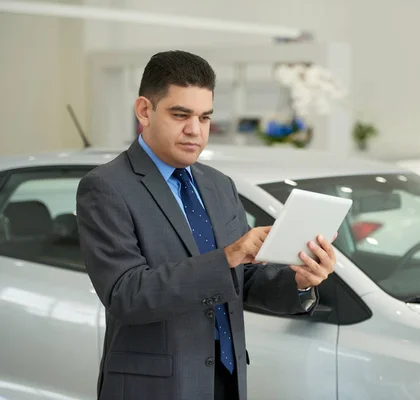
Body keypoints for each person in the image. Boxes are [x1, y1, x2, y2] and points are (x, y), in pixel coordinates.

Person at [75, 50, 337, 400]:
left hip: (226, 381)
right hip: (156, 388)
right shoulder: (107, 187)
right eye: (180, 115)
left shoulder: (218, 184)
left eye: (204, 117)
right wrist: (228, 256)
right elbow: (127, 295)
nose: (194, 131)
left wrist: (299, 282)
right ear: (144, 111)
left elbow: (241, 280)